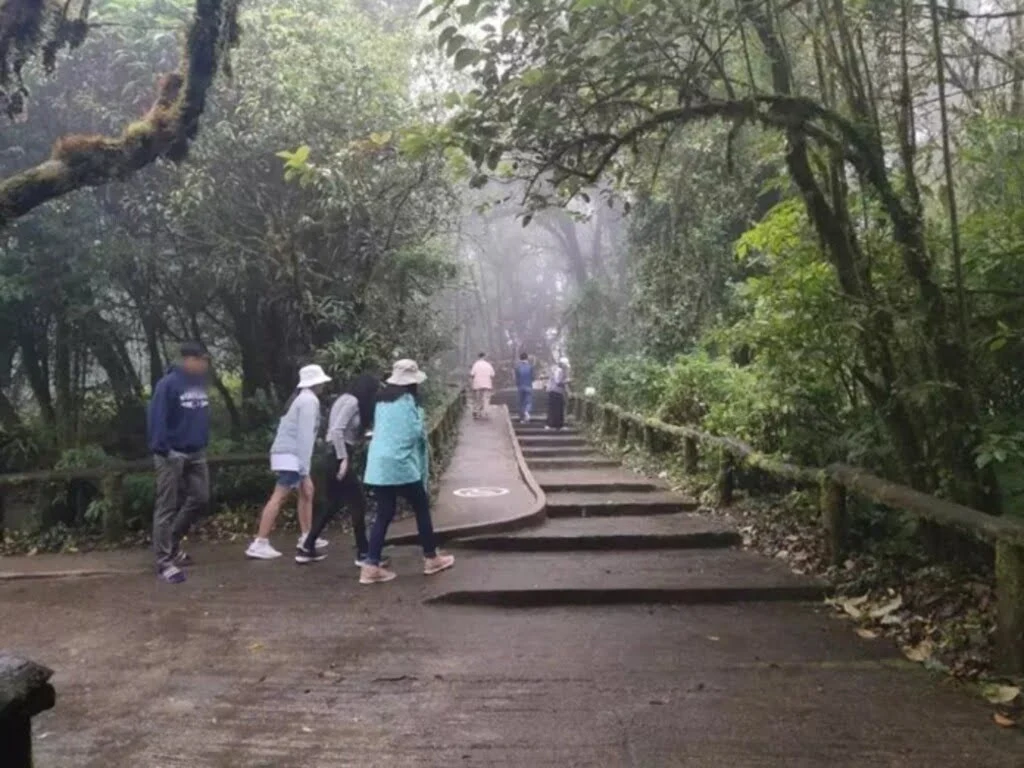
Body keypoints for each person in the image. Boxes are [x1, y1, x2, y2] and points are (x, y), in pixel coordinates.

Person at [359, 359, 455, 584]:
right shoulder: (408, 401)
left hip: (378, 465)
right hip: (400, 465)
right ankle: (431, 558)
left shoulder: (381, 401)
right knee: (421, 507)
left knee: (384, 512)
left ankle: (371, 565)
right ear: (412, 383)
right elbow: (414, 434)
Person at [246, 364, 332, 560]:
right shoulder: (309, 401)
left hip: (291, 454)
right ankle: (260, 541)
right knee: (279, 496)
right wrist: (304, 467)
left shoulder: (302, 399)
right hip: (291, 455)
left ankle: (307, 536)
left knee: (307, 492)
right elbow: (304, 436)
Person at [296, 373, 382, 566]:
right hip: (338, 455)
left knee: (333, 504)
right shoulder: (351, 402)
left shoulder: (344, 399)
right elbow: (336, 430)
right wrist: (343, 458)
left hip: (334, 454)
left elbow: (343, 431)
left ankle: (307, 546)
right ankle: (363, 553)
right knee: (358, 502)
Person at [148, 342, 211, 584]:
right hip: (171, 453)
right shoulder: (167, 384)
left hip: (196, 452)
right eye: (202, 360)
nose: (205, 365)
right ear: (190, 360)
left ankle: (172, 543)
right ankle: (164, 561)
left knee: (201, 498)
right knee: (166, 506)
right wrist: (163, 449)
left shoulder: (199, 384)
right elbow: (157, 418)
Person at [546, 357, 570, 431]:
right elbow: (558, 382)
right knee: (556, 408)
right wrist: (567, 381)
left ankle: (556, 425)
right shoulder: (559, 371)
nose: (566, 367)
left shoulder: (558, 370)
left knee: (556, 408)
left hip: (555, 391)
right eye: (565, 365)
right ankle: (554, 425)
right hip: (555, 391)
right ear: (562, 364)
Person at [469, 351, 495, 419]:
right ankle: (485, 412)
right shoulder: (488, 365)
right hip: (487, 384)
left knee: (478, 399)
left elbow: (472, 374)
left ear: (478, 357)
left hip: (477, 384)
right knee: (485, 398)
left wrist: (471, 384)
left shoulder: (475, 364)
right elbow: (492, 375)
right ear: (484, 356)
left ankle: (477, 411)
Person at [514, 352, 534, 423]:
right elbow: (533, 377)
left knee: (521, 402)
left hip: (520, 386)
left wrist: (518, 384)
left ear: (520, 358)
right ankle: (527, 412)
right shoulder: (530, 367)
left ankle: (522, 418)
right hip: (528, 386)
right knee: (528, 401)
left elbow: (516, 378)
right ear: (527, 358)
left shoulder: (517, 367)